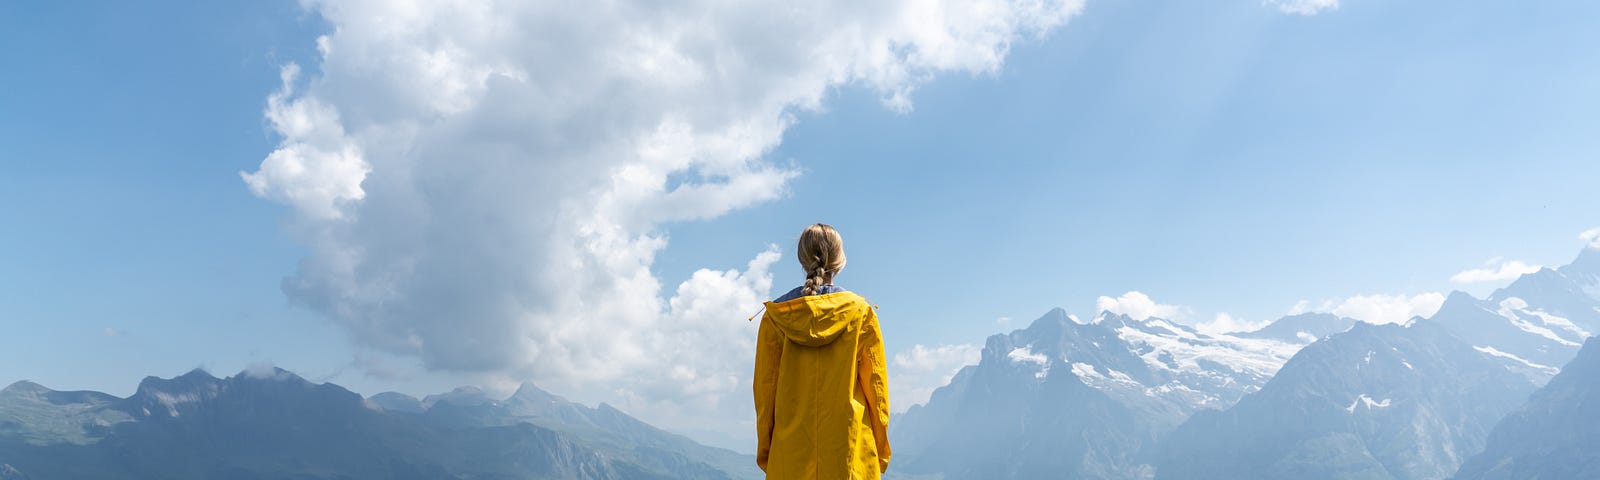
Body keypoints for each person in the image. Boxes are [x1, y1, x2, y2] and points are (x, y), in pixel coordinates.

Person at [753, 223, 891, 479]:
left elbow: (765, 393)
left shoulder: (776, 318)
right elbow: (877, 392)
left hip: (789, 456)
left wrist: (768, 453)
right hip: (851, 455)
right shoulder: (861, 313)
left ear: (802, 259)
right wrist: (879, 452)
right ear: (840, 260)